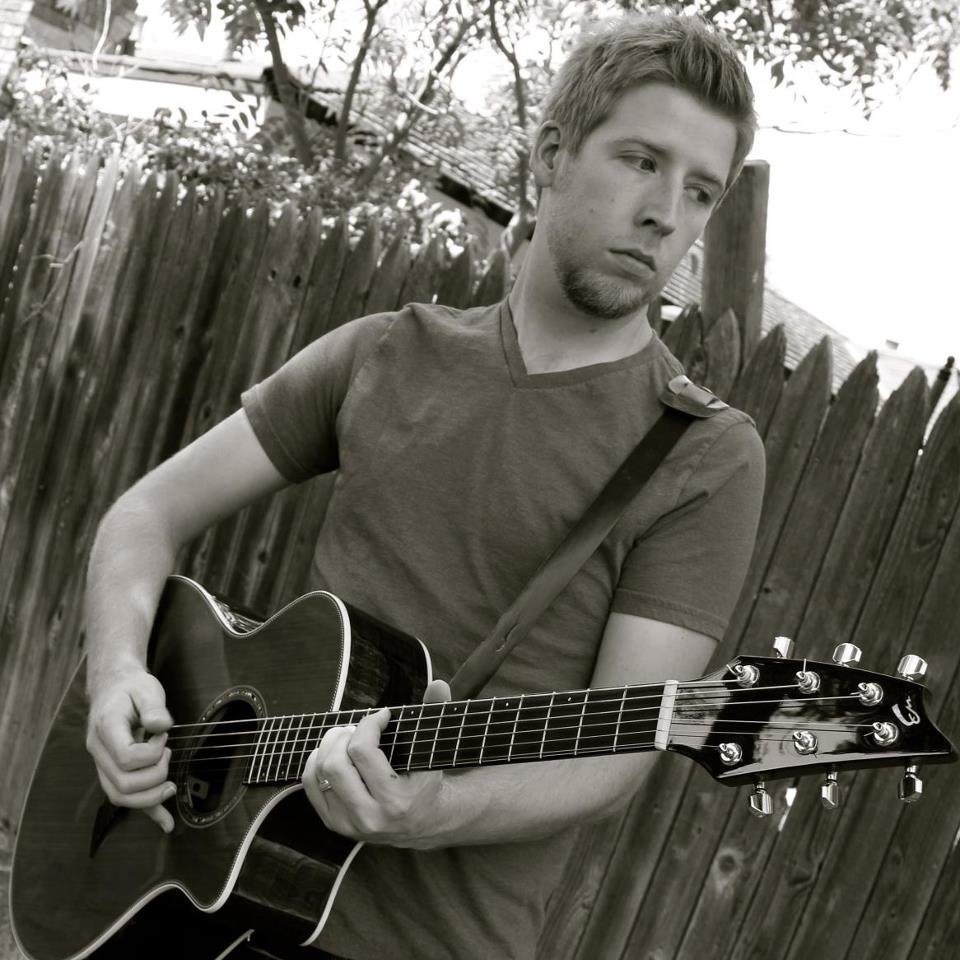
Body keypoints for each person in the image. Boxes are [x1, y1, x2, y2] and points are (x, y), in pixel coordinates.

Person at [83, 11, 766, 960]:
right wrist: (118, 674)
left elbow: (618, 752)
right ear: (552, 155)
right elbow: (145, 513)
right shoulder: (386, 353)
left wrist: (436, 810)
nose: (666, 214)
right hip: (191, 889)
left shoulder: (704, 454)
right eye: (641, 161)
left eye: (700, 191)